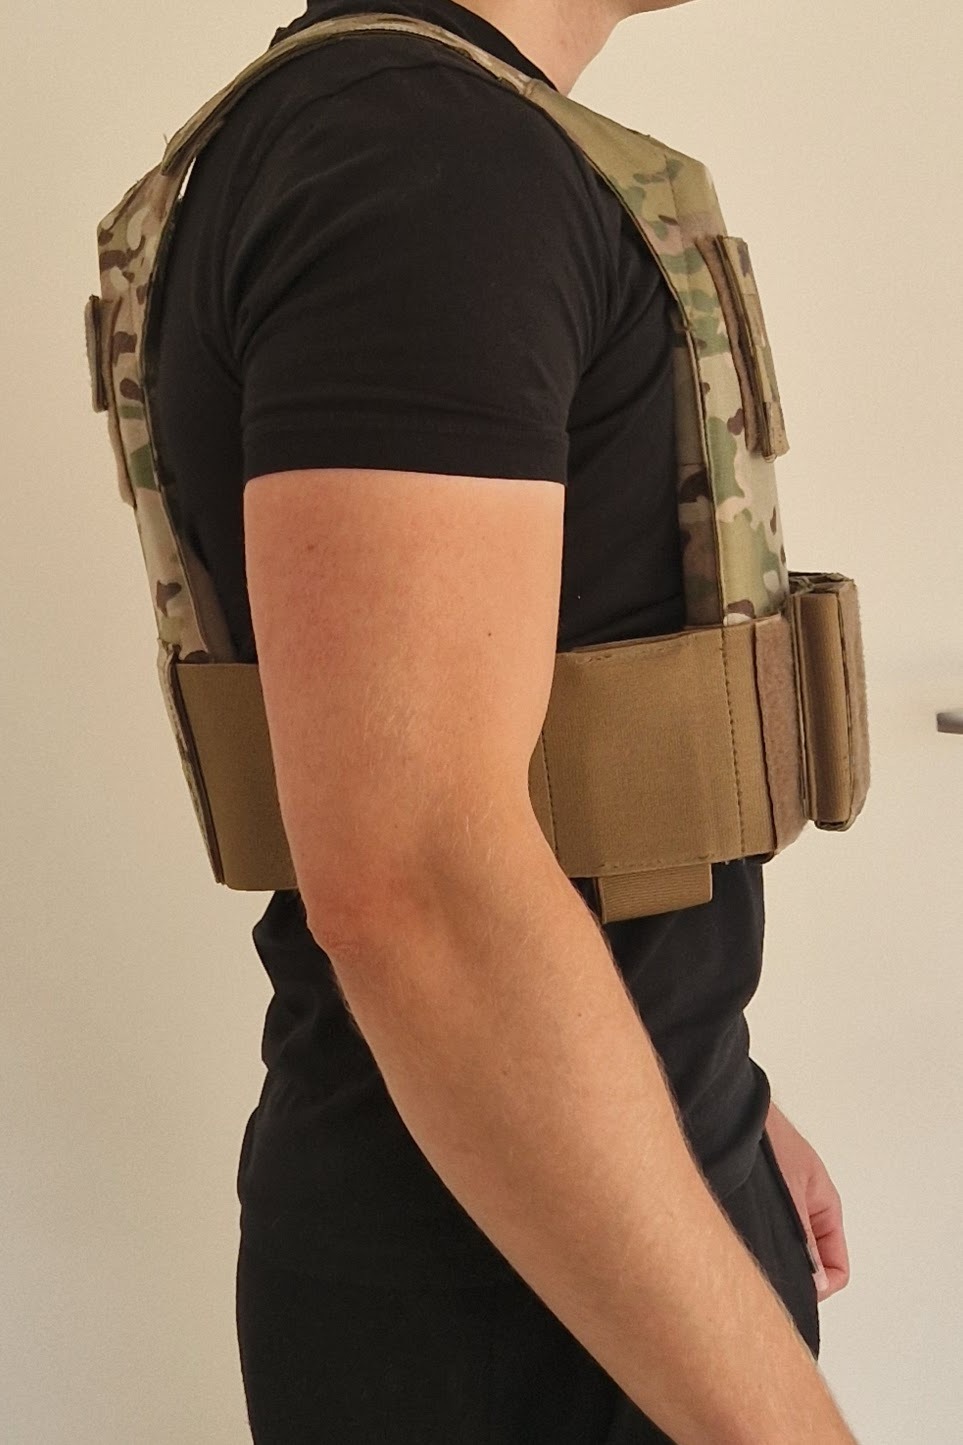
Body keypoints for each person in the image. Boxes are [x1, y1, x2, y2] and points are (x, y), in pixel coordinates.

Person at [152, 1, 856, 1439]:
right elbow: (416, 882)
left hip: (569, 1213)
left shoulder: (428, 142)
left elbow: (511, 793)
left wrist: (712, 1103)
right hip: (515, 1291)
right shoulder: (420, 157)